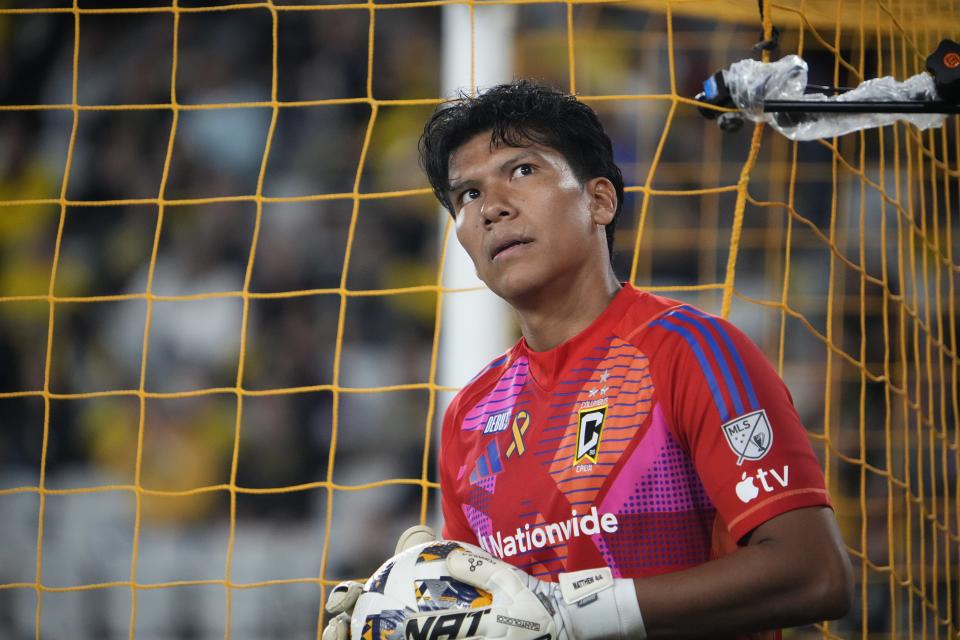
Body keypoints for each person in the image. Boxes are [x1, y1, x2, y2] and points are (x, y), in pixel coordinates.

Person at [325, 80, 852, 640]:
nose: (492, 208)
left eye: (522, 170)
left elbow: (813, 575)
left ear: (600, 200)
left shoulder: (690, 351)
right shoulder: (469, 417)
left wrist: (574, 614)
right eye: (467, 196)